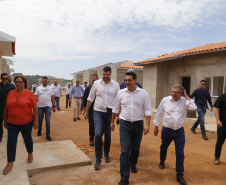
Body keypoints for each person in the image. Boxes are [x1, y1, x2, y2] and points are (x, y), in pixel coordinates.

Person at [111, 71, 151, 185]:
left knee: (135, 149)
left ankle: (132, 163)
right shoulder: (121, 93)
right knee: (124, 151)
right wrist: (112, 122)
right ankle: (124, 178)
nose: (127, 82)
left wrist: (147, 124)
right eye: (125, 80)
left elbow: (148, 110)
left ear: (135, 80)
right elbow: (115, 108)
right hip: (125, 125)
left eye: (129, 80)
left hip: (138, 125)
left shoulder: (143, 93)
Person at [154, 84, 197, 185]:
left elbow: (194, 107)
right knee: (164, 147)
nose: (173, 93)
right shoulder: (165, 100)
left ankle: (180, 175)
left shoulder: (184, 101)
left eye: (176, 92)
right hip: (167, 130)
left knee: (180, 153)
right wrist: (156, 126)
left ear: (181, 93)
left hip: (179, 131)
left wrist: (186, 96)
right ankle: (162, 160)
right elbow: (159, 112)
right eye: (172, 91)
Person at [84, 66, 120, 170]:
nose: (105, 76)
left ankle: (107, 153)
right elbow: (90, 98)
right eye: (104, 74)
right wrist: (86, 111)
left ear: (110, 74)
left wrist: (119, 116)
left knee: (108, 135)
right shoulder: (96, 84)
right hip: (98, 111)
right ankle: (98, 159)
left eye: (107, 74)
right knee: (98, 134)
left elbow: (118, 101)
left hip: (110, 113)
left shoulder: (116, 85)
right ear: (102, 74)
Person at [2, 75, 38, 175]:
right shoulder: (10, 93)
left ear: (24, 83)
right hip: (12, 123)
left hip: (26, 122)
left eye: (20, 82)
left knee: (27, 139)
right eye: (16, 82)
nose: (18, 84)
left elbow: (35, 107)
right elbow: (6, 107)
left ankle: (30, 153)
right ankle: (10, 162)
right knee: (11, 141)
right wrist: (5, 121)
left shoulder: (29, 93)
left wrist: (36, 121)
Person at [35, 76, 56, 141]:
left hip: (48, 107)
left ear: (47, 81)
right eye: (43, 81)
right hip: (40, 107)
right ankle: (39, 130)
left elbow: (53, 97)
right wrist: (34, 106)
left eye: (46, 81)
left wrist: (54, 106)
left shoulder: (50, 88)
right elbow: (35, 97)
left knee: (47, 120)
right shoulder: (38, 88)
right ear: (42, 81)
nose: (45, 82)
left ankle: (48, 135)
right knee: (40, 120)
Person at [82, 74, 98, 146]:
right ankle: (91, 138)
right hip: (91, 109)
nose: (94, 81)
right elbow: (84, 99)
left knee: (99, 125)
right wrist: (84, 110)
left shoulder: (101, 87)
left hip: (99, 110)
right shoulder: (88, 88)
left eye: (95, 80)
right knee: (91, 125)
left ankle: (99, 138)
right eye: (92, 80)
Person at [0, 73, 15, 142]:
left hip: (9, 107)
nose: (5, 80)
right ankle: (0, 135)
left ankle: (11, 136)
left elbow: (15, 95)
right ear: (1, 79)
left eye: (6, 78)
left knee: (10, 122)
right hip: (0, 107)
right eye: (4, 79)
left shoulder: (12, 86)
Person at [213, 93, 226, 165]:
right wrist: (218, 120)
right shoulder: (222, 97)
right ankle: (216, 157)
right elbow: (217, 109)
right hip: (222, 124)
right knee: (220, 141)